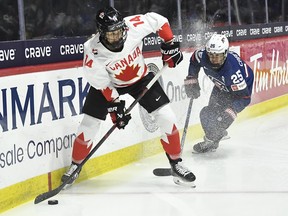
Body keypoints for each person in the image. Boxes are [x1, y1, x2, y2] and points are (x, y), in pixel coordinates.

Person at [61, 6, 196, 188]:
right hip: (109, 85)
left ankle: (176, 164)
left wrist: (169, 44)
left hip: (140, 78)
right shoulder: (92, 51)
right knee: (89, 123)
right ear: (101, 33)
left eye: (118, 32)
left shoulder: (133, 26)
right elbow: (102, 84)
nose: (116, 37)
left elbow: (159, 20)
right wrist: (115, 106)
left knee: (167, 117)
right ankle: (75, 166)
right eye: (111, 34)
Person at [184, 33, 254, 153]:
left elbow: (245, 98)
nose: (214, 59)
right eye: (211, 55)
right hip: (221, 85)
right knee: (208, 113)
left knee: (223, 117)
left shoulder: (233, 73)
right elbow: (194, 60)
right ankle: (215, 137)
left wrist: (232, 110)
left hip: (238, 91)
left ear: (225, 53)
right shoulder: (203, 55)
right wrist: (192, 78)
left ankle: (212, 140)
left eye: (218, 56)